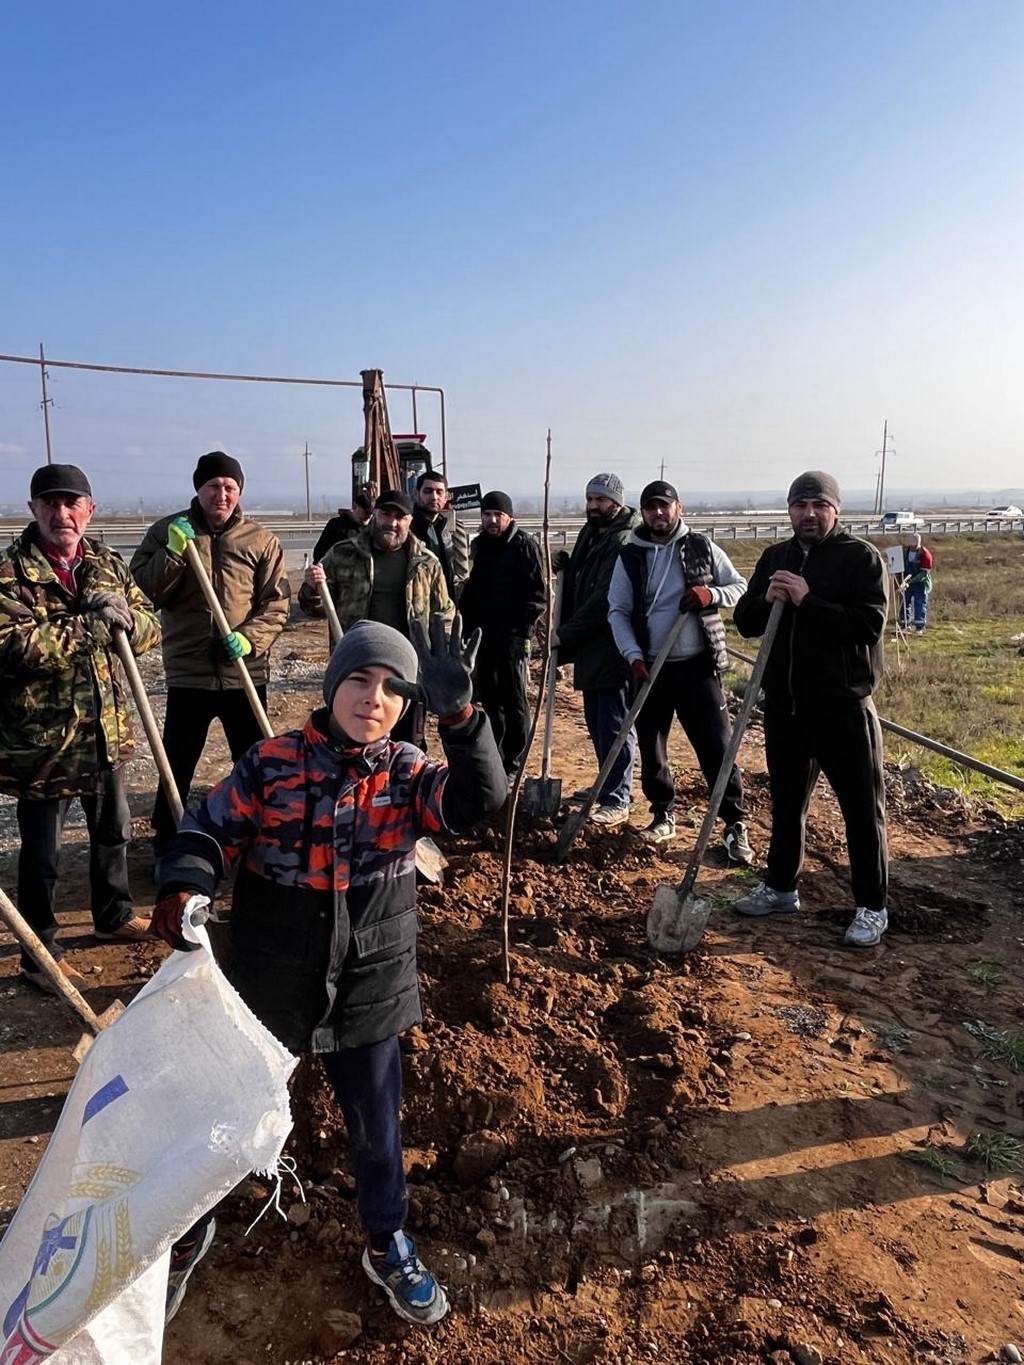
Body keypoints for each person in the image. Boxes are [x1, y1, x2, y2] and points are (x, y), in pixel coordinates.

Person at [151, 617, 507, 1327]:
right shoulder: (272, 762)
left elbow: (478, 801)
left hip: (370, 984)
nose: (372, 698)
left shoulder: (406, 774)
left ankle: (385, 1239)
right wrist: (186, 883)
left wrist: (464, 720)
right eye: (358, 679)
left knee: (377, 1127)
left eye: (390, 689)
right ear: (331, 683)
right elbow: (208, 827)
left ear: (406, 706)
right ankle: (190, 1223)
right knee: (231, 1106)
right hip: (271, 980)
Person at [0, 464, 161, 989]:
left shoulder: (108, 563)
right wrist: (93, 623)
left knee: (111, 831)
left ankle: (112, 915)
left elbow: (148, 626)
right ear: (33, 511)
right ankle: (39, 952)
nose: (61, 514)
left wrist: (128, 623)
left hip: (105, 730)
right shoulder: (10, 574)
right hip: (43, 743)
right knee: (42, 854)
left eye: (72, 504)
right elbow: (16, 647)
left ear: (89, 510)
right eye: (49, 504)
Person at [732, 471, 889, 948]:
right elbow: (745, 622)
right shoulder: (775, 557)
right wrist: (767, 597)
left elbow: (868, 625)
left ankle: (872, 906)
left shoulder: (860, 558)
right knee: (786, 804)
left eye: (818, 505)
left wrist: (807, 600)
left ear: (835, 511)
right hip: (787, 707)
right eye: (800, 505)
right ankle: (781, 888)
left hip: (843, 708)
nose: (808, 514)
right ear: (789, 511)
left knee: (862, 810)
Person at [130, 452, 290, 865]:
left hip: (244, 672)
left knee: (255, 759)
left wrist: (250, 640)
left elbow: (276, 605)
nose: (222, 494)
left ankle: (263, 835)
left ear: (239, 491)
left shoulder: (260, 540)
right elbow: (149, 591)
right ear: (198, 489)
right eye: (214, 486)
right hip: (190, 672)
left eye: (230, 487)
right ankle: (168, 840)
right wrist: (173, 552)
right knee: (177, 761)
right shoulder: (167, 532)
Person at [607, 480, 751, 857]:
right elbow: (618, 611)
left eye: (664, 506)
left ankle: (734, 823)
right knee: (653, 750)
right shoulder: (630, 557)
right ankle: (662, 815)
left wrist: (710, 594)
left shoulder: (700, 547)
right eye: (651, 507)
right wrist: (633, 656)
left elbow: (740, 586)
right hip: (649, 669)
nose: (658, 513)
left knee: (717, 747)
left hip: (698, 667)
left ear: (678, 508)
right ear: (643, 512)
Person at [299, 490, 453, 744]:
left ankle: (401, 785)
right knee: (354, 740)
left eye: (400, 517)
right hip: (356, 669)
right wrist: (313, 589)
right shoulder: (343, 555)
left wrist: (440, 658)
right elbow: (313, 608)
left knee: (407, 745)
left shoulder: (427, 563)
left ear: (409, 521)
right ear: (374, 516)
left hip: (408, 671)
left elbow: (444, 613)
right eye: (385, 514)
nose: (391, 523)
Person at [550, 473, 639, 825]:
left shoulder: (621, 541)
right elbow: (585, 575)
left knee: (614, 723)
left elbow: (604, 599)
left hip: (612, 644)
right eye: (590, 499)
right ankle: (606, 784)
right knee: (596, 721)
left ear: (616, 502)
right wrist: (566, 565)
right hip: (591, 646)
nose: (593, 505)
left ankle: (618, 796)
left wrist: (566, 634)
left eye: (601, 500)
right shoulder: (594, 531)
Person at [458, 491, 546, 780]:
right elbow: (474, 588)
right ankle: (495, 754)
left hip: (512, 636)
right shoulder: (480, 546)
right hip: (484, 636)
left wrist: (525, 634)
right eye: (487, 514)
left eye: (498, 515)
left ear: (509, 517)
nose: (493, 520)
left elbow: (537, 595)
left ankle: (514, 760)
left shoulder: (523, 546)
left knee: (514, 700)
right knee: (490, 699)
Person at [410, 469, 471, 601]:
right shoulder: (408, 530)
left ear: (446, 497)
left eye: (439, 492)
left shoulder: (445, 531)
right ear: (416, 493)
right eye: (427, 491)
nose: (434, 497)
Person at [312, 492, 373, 562]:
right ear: (355, 507)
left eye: (371, 513)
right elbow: (319, 553)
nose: (368, 516)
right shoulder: (337, 525)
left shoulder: (372, 529)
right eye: (366, 512)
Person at [899, 533, 933, 633]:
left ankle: (920, 627)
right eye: (911, 545)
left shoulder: (925, 554)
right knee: (904, 602)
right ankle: (905, 625)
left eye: (914, 545)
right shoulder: (904, 552)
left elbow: (924, 573)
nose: (912, 547)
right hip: (905, 582)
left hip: (920, 584)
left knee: (920, 604)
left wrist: (911, 580)